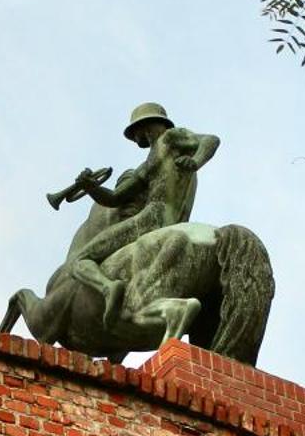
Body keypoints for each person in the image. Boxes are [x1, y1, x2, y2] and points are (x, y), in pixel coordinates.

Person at [62, 103, 219, 327]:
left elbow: (211, 140)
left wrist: (196, 161)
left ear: (143, 127)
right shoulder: (149, 163)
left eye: (134, 133)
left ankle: (108, 289)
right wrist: (90, 187)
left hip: (150, 220)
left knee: (79, 260)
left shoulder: (170, 138)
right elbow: (115, 198)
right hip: (165, 220)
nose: (135, 139)